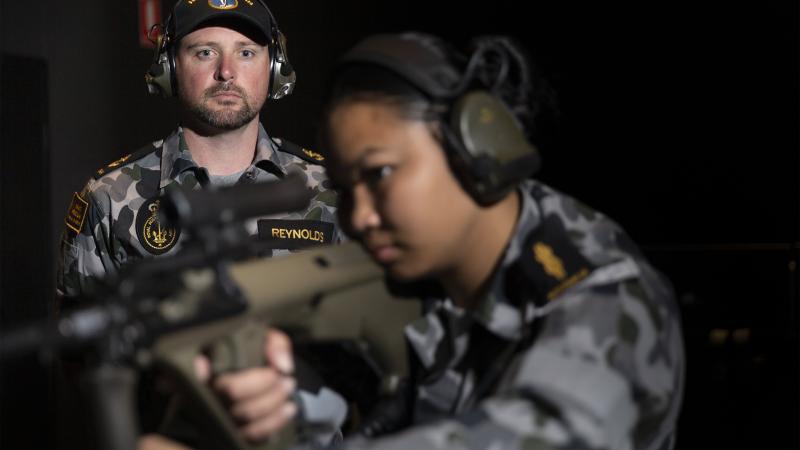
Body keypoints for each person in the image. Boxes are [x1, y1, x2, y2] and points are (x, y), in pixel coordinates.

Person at [140, 31, 686, 450]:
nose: (358, 217)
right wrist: (276, 403)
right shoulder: (419, 270)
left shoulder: (605, 297)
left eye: (379, 175)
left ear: (477, 148)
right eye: (346, 189)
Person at [56, 0, 346, 447]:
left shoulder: (329, 189)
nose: (227, 72)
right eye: (205, 52)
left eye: (246, 52)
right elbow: (83, 361)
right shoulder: (111, 197)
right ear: (171, 67)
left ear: (274, 69)